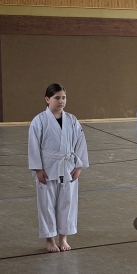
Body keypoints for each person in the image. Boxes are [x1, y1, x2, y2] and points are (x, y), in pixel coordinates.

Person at [28, 83, 89, 253]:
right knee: (47, 204)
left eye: (63, 98)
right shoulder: (39, 121)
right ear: (47, 99)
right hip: (48, 168)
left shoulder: (72, 120)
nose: (61, 101)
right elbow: (33, 146)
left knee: (67, 203)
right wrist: (38, 169)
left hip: (68, 166)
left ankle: (63, 238)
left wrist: (79, 166)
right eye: (57, 98)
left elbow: (80, 143)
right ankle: (50, 239)